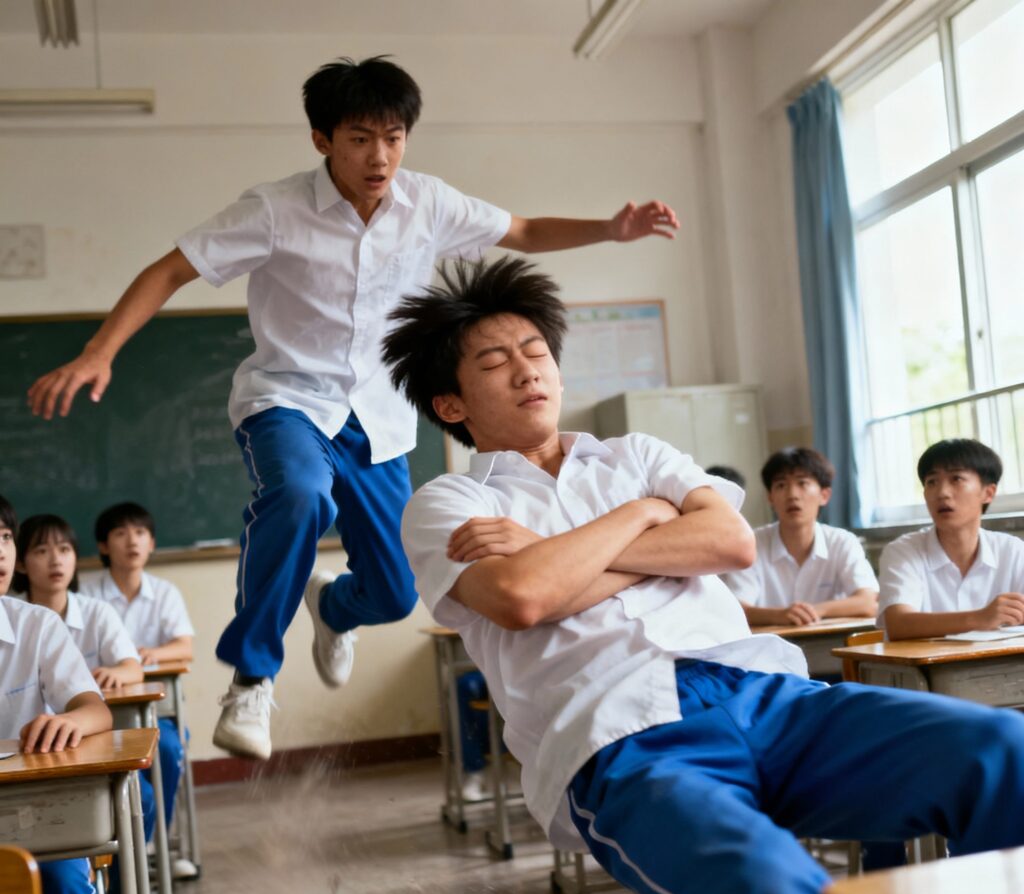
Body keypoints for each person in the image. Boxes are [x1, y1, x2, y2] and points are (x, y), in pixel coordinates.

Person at [385, 257, 1024, 894]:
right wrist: (646, 518)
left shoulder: (637, 454)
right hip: (625, 740)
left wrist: (557, 551)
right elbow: (524, 597)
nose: (528, 372)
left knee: (1003, 749)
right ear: (451, 401)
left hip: (772, 698)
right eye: (495, 362)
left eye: (536, 352)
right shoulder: (447, 501)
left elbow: (729, 544)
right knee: (777, 891)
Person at [26, 55, 679, 762]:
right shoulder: (273, 210)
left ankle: (332, 607)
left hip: (381, 418)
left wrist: (612, 230)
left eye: (394, 137)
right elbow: (171, 268)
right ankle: (253, 675)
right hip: (287, 399)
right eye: (361, 138)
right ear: (322, 139)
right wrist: (99, 351)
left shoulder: (428, 203)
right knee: (301, 495)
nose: (380, 156)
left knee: (398, 593)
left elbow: (520, 230)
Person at [0, 494, 113, 894]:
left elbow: (95, 709)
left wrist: (72, 723)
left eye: (6, 537)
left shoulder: (35, 624)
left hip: (32, 806)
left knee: (61, 877)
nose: (0, 551)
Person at [80, 501, 192, 878]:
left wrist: (145, 656)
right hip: (103, 713)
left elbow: (185, 647)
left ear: (152, 543)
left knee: (170, 748)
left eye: (140, 533)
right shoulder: (87, 594)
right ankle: (120, 853)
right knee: (129, 777)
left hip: (155, 713)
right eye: (121, 533)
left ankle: (149, 845)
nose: (132, 541)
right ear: (103, 546)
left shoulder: (164, 592)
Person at [878, 438, 1024, 641]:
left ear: (988, 493)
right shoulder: (903, 551)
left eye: (956, 479)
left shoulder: (1013, 550)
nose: (942, 493)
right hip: (923, 671)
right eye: (932, 482)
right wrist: (979, 618)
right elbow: (898, 623)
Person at [723, 447, 878, 630]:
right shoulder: (751, 543)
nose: (792, 495)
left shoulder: (842, 542)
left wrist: (814, 611)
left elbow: (869, 602)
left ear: (824, 495)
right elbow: (735, 609)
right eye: (781, 485)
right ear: (770, 498)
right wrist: (779, 615)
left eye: (802, 483)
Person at [13, 514, 143, 691]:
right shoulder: (10, 617)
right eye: (42, 551)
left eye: (64, 550)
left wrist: (116, 673)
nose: (56, 561)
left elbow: (133, 669)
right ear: (20, 564)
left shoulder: (97, 612)